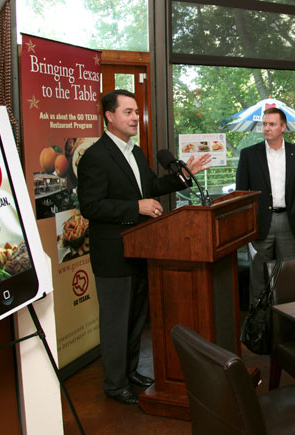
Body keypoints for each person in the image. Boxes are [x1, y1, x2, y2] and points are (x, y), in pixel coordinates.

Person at [77, 89, 210, 406]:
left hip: (140, 248)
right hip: (112, 254)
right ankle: (114, 383)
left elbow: (152, 186)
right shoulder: (95, 156)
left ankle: (131, 371)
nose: (136, 117)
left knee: (135, 319)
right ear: (109, 116)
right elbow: (91, 206)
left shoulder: (135, 152)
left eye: (136, 111)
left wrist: (184, 174)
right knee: (115, 322)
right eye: (128, 112)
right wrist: (135, 207)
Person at [236, 107, 295, 306]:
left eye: (272, 124)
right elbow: (241, 195)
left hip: (291, 223)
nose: (266, 128)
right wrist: (249, 224)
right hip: (261, 225)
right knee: (259, 281)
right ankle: (259, 330)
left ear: (283, 127)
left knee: (290, 280)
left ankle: (288, 327)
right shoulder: (249, 155)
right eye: (264, 124)